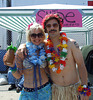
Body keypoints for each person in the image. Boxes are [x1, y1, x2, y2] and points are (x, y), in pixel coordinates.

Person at [16, 14, 91, 100]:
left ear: (59, 27)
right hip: (56, 91)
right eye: (48, 26)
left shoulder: (71, 44)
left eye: (55, 25)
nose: (52, 28)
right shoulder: (44, 46)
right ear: (46, 29)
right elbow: (31, 42)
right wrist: (22, 46)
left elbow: (81, 65)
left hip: (73, 90)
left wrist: (84, 87)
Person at [3, 23, 52, 100]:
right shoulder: (22, 51)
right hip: (27, 92)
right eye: (33, 35)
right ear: (29, 36)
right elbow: (18, 76)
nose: (37, 38)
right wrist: (12, 67)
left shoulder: (46, 48)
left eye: (39, 34)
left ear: (43, 35)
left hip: (45, 90)